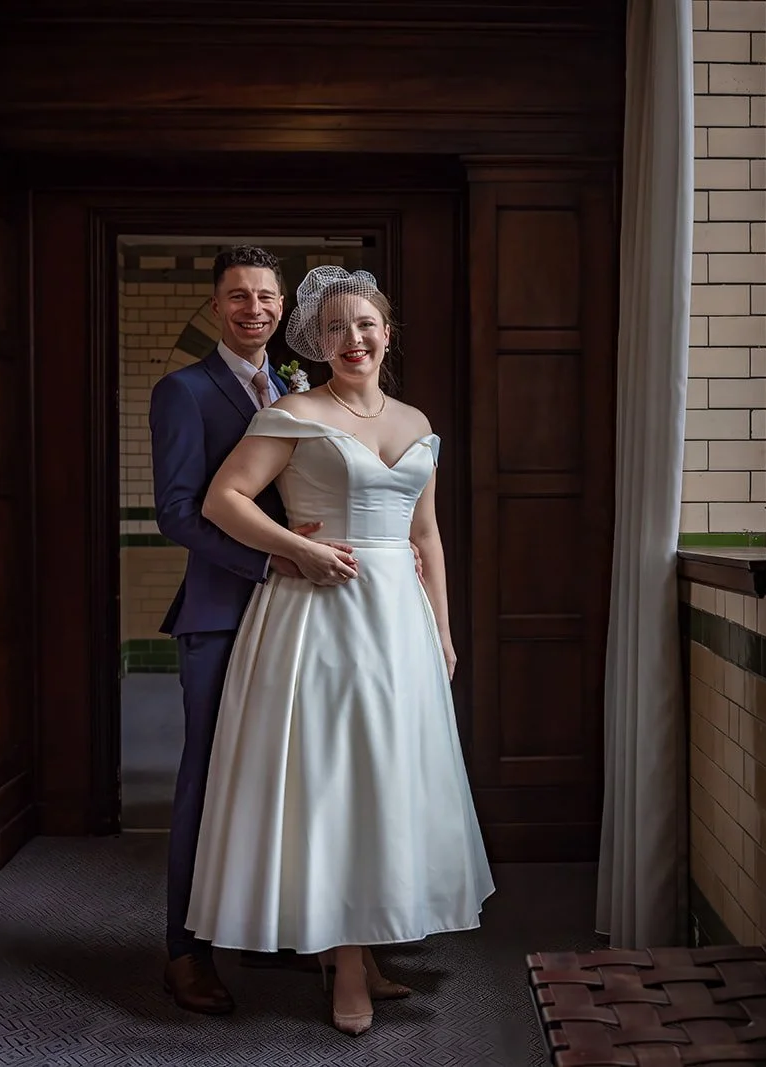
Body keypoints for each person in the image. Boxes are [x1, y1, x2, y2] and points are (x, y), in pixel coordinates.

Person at [185, 266, 494, 1036]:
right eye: (334, 329)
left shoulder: (417, 421)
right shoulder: (293, 413)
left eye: (365, 326)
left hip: (398, 624)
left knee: (387, 776)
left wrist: (443, 630)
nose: (351, 339)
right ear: (316, 342)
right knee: (334, 778)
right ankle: (346, 963)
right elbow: (221, 500)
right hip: (316, 615)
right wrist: (297, 548)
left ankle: (363, 949)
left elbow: (425, 537)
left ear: (387, 335)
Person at [149, 246, 354, 1015]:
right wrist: (273, 561)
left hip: (301, 618)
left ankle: (292, 932)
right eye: (238, 297)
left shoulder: (298, 386)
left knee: (292, 782)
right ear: (216, 304)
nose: (254, 309)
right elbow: (176, 511)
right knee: (206, 780)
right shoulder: (185, 391)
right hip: (225, 611)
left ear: (281, 308)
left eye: (266, 297)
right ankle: (184, 952)